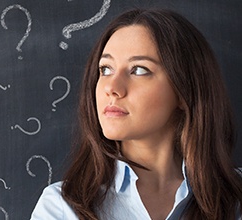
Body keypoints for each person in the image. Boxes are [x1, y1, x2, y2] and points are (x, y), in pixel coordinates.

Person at [30, 8, 242, 220]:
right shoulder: (61, 208)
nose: (111, 87)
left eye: (139, 70)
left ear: (183, 90)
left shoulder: (235, 198)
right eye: (105, 69)